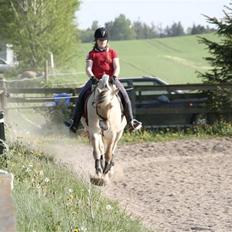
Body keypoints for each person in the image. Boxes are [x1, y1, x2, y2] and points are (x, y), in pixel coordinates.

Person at [65, 27, 142, 133]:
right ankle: (74, 123)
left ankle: (131, 121)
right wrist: (92, 77)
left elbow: (117, 66)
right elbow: (88, 68)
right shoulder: (91, 54)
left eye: (104, 40)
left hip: (111, 79)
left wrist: (114, 76)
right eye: (100, 40)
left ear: (107, 41)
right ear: (96, 41)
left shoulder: (113, 53)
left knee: (125, 96)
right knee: (81, 96)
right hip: (95, 80)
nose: (102, 42)